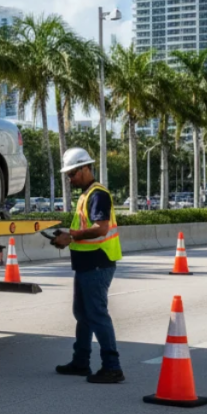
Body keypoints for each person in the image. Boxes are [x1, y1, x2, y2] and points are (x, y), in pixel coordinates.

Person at [51, 147, 125, 384]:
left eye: (72, 174)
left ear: (85, 168)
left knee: (96, 315)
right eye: (68, 175)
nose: (70, 179)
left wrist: (70, 237)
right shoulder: (86, 195)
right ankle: (81, 361)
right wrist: (67, 235)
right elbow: (85, 228)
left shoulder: (98, 194)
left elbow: (100, 228)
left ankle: (112, 367)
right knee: (82, 314)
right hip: (86, 264)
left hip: (97, 264)